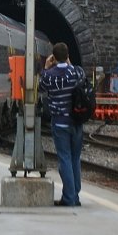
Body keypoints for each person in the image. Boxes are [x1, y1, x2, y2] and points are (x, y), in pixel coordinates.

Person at [38, 42, 84, 207]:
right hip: (77, 122)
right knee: (75, 159)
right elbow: (80, 76)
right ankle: (75, 196)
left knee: (64, 158)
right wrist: (69, 63)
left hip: (60, 123)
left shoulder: (49, 75)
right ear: (68, 55)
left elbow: (40, 87)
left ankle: (69, 198)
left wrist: (45, 67)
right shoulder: (76, 72)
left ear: (54, 57)